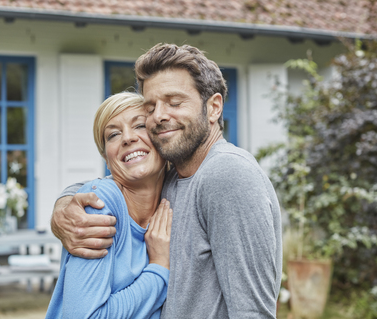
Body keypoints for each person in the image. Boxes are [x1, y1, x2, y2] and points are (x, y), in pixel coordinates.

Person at [51, 44, 282, 318]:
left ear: (214, 108)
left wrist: (159, 267)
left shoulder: (227, 173)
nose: (159, 116)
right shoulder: (171, 176)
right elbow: (109, 185)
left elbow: (251, 312)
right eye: (150, 107)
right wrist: (64, 205)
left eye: (174, 102)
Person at [45, 92, 172, 318]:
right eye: (113, 134)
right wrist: (159, 268)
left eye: (140, 126)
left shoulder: (175, 195)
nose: (127, 138)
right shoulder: (99, 204)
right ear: (107, 159)